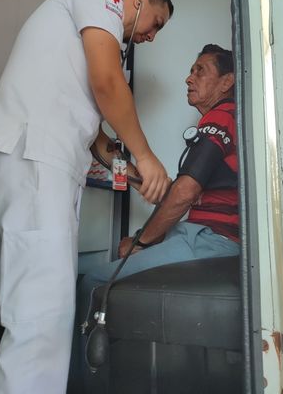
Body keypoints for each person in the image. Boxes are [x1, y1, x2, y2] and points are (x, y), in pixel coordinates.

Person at [0, 0, 173, 394]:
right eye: (156, 22)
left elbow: (95, 136)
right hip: (35, 153)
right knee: (41, 309)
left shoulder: (81, 42)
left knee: (50, 304)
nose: (152, 36)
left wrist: (134, 173)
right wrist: (147, 155)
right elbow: (108, 83)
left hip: (42, 157)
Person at [77, 44, 239, 364]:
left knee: (93, 283)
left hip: (208, 238)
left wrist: (141, 242)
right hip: (204, 236)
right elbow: (180, 190)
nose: (189, 78)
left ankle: (80, 379)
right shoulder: (228, 120)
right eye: (191, 71)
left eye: (200, 71)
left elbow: (185, 192)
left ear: (227, 82)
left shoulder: (221, 117)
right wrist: (139, 179)